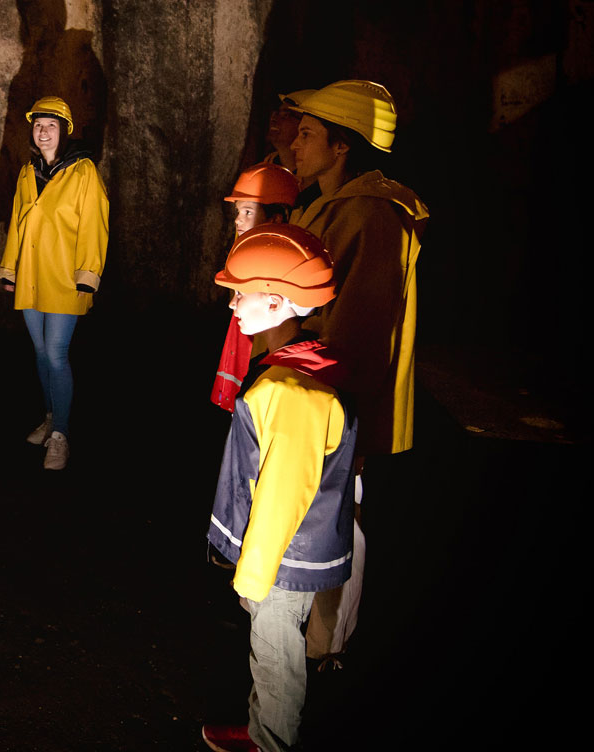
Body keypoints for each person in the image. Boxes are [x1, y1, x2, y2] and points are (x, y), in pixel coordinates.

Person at [281, 79, 429, 663]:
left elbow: (360, 330)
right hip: (314, 394)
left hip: (332, 403)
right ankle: (310, 643)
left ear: (343, 146)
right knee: (318, 517)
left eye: (309, 134)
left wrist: (343, 420)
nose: (294, 143)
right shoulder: (335, 204)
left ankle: (320, 650)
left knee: (335, 521)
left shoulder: (372, 214)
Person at [202, 225, 355, 752]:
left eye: (242, 293)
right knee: (272, 652)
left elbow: (283, 492)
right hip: (293, 551)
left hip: (284, 558)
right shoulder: (299, 369)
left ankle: (272, 742)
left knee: (275, 654)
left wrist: (253, 574)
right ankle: (261, 729)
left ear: (279, 302)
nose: (233, 304)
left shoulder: (289, 389)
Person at [0, 96, 110, 470]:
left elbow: (95, 225)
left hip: (64, 277)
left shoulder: (83, 172)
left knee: (57, 353)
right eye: (38, 126)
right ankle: (50, 417)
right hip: (31, 275)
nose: (43, 132)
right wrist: (10, 270)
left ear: (64, 132)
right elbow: (17, 223)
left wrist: (88, 275)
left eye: (51, 126)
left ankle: (61, 434)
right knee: (40, 352)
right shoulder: (28, 172)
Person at [211, 163, 301, 413]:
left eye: (248, 212)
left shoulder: (281, 256)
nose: (239, 220)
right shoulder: (246, 246)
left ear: (276, 217)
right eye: (238, 212)